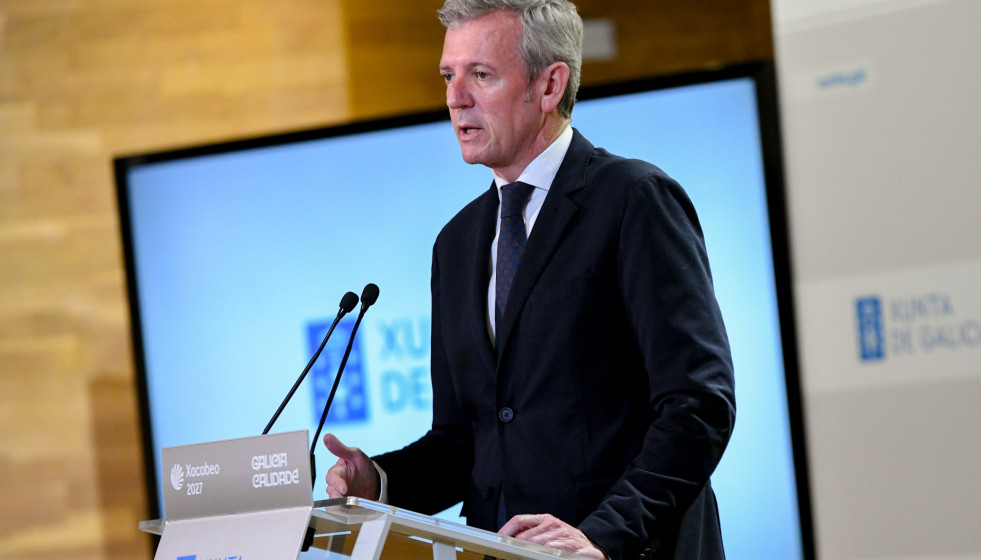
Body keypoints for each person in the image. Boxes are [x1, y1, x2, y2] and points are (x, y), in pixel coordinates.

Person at [323, 1, 735, 558]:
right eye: (449, 75)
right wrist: (380, 482)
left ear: (549, 85)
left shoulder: (633, 200)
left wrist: (603, 534)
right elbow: (469, 439)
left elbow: (698, 404)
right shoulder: (457, 243)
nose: (455, 97)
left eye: (481, 75)